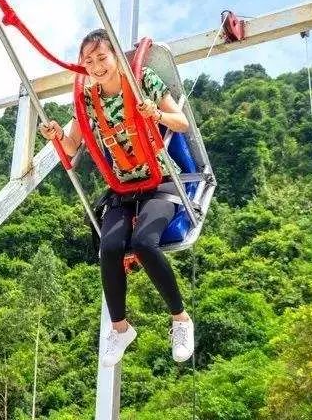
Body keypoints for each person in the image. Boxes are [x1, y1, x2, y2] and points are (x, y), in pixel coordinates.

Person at [39, 29, 195, 366]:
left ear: (116, 58)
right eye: (89, 61)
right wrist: (56, 135)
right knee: (108, 248)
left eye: (102, 58)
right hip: (123, 189)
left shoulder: (143, 81)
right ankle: (120, 328)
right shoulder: (88, 102)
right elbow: (71, 146)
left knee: (143, 243)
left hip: (160, 183)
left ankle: (180, 320)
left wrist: (156, 114)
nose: (96, 66)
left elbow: (181, 123)